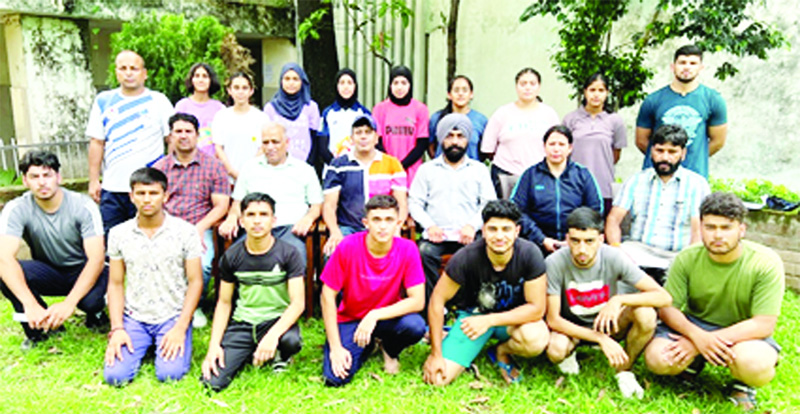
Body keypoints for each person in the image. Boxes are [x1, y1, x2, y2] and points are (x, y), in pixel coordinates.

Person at [644, 192, 784, 410]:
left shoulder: (765, 262)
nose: (717, 235)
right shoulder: (687, 257)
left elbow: (763, 323)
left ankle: (742, 385)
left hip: (743, 334)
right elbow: (667, 309)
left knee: (754, 365)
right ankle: (693, 364)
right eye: (710, 227)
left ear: (741, 229)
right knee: (657, 359)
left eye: (726, 227)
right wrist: (697, 336)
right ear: (700, 228)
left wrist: (701, 343)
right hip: (696, 324)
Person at [544, 207, 671, 399]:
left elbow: (663, 297)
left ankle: (624, 369)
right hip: (572, 327)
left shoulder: (614, 256)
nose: (582, 249)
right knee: (556, 350)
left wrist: (619, 300)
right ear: (567, 239)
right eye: (575, 241)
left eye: (589, 241)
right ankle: (571, 353)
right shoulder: (554, 262)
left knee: (646, 314)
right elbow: (553, 320)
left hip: (608, 324)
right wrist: (600, 339)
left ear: (601, 240)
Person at [423, 200, 549, 386]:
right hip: (472, 319)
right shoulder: (466, 257)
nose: (499, 236)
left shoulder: (530, 254)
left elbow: (536, 309)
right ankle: (451, 335)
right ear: (483, 230)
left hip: (512, 321)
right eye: (493, 229)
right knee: (438, 380)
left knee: (536, 339)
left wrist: (489, 320)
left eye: (506, 229)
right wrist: (436, 354)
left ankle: (502, 351)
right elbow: (437, 300)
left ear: (517, 231)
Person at [103, 168, 203, 386]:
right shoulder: (118, 234)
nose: (147, 199)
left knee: (169, 375)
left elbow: (196, 282)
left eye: (153, 193)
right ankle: (142, 341)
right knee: (115, 377)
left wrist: (180, 327)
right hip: (134, 316)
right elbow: (116, 283)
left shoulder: (186, 232)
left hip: (172, 315)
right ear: (131, 196)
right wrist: (117, 328)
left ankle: (168, 341)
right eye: (140, 193)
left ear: (165, 196)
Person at [0, 151, 107, 350]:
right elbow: (4, 258)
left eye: (47, 175)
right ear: (25, 181)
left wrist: (69, 304)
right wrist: (30, 303)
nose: (42, 182)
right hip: (50, 270)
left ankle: (97, 315)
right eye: (34, 177)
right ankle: (39, 331)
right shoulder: (16, 208)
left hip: (84, 268)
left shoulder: (83, 205)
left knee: (90, 302)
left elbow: (97, 259)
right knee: (6, 273)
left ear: (59, 177)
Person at [201, 193, 305, 391]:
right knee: (211, 383)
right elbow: (224, 303)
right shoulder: (232, 256)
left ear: (274, 221)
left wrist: (272, 336)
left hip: (276, 321)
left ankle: (280, 355)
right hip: (244, 323)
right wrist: (213, 346)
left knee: (290, 341)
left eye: (264, 215)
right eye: (251, 215)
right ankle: (252, 352)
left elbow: (298, 303)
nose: (257, 221)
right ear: (241, 221)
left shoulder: (289, 253)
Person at [321, 195, 426, 386]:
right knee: (335, 378)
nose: (383, 226)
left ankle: (389, 348)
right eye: (376, 220)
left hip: (387, 318)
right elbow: (327, 296)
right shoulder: (348, 246)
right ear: (366, 223)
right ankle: (366, 344)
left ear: (398, 223)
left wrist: (374, 315)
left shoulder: (408, 249)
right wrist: (336, 347)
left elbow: (418, 300)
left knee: (415, 326)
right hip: (351, 318)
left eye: (389, 220)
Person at [153, 113, 231, 328]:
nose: (183, 136)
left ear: (197, 135)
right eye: (178, 131)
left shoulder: (214, 166)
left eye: (188, 131)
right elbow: (152, 204)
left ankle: (194, 305)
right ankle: (167, 304)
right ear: (170, 137)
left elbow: (221, 205)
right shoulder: (159, 169)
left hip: (200, 225)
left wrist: (199, 228)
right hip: (166, 226)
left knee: (203, 264)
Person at [408, 113, 496, 302]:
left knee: (485, 251)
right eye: (450, 136)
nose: (455, 141)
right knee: (423, 253)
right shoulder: (427, 170)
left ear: (467, 140)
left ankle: (470, 306)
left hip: (469, 234)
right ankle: (434, 306)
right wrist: (430, 226)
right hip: (436, 234)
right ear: (441, 139)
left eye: (460, 136)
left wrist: (472, 226)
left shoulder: (479, 170)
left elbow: (488, 203)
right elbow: (414, 202)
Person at [86, 50, 173, 235]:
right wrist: (94, 180)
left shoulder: (159, 101)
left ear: (144, 73)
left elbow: (171, 140)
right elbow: (97, 142)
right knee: (112, 241)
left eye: (134, 68)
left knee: (149, 237)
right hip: (113, 188)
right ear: (116, 72)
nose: (128, 73)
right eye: (123, 68)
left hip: (147, 189)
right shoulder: (103, 101)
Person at [606, 124, 710, 275]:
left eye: (672, 152)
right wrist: (616, 248)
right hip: (637, 253)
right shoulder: (636, 181)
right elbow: (613, 220)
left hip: (676, 257)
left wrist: (689, 262)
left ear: (683, 154)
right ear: (651, 151)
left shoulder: (697, 185)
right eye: (659, 151)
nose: (665, 157)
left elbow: (698, 230)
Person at [218, 122, 322, 261]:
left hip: (290, 229)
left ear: (287, 143)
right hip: (255, 229)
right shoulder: (250, 167)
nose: (270, 147)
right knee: (231, 260)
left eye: (275, 142)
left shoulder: (304, 170)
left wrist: (308, 218)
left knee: (296, 258)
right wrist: (231, 217)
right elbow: (238, 202)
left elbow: (316, 205)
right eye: (265, 142)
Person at [636, 44, 727, 179]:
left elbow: (718, 141)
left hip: (695, 174)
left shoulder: (713, 99)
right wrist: (665, 157)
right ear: (673, 66)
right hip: (656, 175)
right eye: (682, 62)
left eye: (693, 63)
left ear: (701, 68)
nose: (687, 67)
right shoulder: (653, 100)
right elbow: (642, 141)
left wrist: (694, 156)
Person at [322, 114, 408, 256]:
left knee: (400, 252)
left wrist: (397, 227)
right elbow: (329, 205)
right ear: (352, 138)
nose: (363, 137)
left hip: (383, 226)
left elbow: (402, 203)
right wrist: (335, 232)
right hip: (349, 227)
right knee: (333, 252)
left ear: (376, 137)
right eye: (358, 132)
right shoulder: (338, 165)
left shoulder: (393, 164)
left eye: (368, 132)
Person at [512, 125, 603, 255]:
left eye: (561, 144)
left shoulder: (583, 174)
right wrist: (541, 239)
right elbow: (518, 210)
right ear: (544, 146)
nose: (556, 149)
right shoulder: (530, 175)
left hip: (577, 243)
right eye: (552, 144)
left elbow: (595, 209)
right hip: (536, 244)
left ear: (570, 148)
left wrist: (574, 238)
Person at [481, 67, 560, 199]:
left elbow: (557, 144)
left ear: (539, 87)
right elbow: (488, 149)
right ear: (516, 87)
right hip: (506, 174)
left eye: (532, 84)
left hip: (540, 174)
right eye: (523, 84)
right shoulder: (502, 113)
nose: (527, 88)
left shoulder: (549, 114)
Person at [563, 73, 627, 214]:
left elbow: (615, 154)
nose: (596, 95)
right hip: (574, 185)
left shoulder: (615, 120)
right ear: (585, 92)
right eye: (592, 90)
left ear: (607, 93)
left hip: (603, 185)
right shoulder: (571, 119)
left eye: (601, 90)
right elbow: (563, 151)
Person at [372, 65, 430, 186]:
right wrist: (391, 165)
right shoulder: (380, 109)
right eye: (396, 83)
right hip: (386, 171)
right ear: (390, 86)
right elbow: (377, 141)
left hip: (411, 173)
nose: (399, 87)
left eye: (404, 83)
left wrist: (402, 165)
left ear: (410, 85)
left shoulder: (420, 109)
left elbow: (422, 143)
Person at [213, 72, 269, 183]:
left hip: (254, 178)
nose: (240, 92)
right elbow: (218, 148)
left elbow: (263, 147)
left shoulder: (261, 118)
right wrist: (232, 172)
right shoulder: (221, 116)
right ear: (229, 91)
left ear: (251, 91)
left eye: (244, 88)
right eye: (236, 88)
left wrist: (247, 172)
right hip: (227, 179)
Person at [263, 63, 322, 167]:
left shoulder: (310, 107)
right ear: (281, 81)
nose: (291, 83)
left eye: (295, 79)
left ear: (302, 82)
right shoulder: (271, 108)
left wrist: (309, 164)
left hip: (304, 165)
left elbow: (315, 139)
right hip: (277, 165)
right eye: (287, 79)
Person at [428, 75, 488, 161]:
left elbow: (484, 151)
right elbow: (431, 146)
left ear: (471, 94)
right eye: (456, 90)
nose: (460, 94)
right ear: (449, 95)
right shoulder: (437, 118)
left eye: (465, 90)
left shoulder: (481, 120)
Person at [319, 68, 372, 162]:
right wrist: (335, 164)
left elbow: (369, 143)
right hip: (333, 167)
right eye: (342, 83)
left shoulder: (364, 113)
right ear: (336, 86)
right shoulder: (327, 113)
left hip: (358, 167)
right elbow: (322, 145)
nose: (346, 87)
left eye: (349, 83)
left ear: (355, 86)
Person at [174, 63, 225, 156]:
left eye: (205, 76)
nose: (201, 80)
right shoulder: (182, 106)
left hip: (212, 163)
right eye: (197, 76)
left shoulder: (220, 108)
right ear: (192, 80)